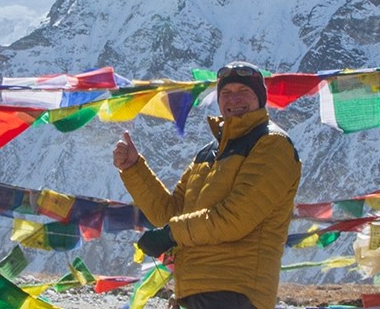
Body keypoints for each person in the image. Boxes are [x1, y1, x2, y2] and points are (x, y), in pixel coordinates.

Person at [112, 62, 302, 309]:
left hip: (237, 292)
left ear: (260, 98)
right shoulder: (209, 153)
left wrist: (170, 234)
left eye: (243, 91)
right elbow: (170, 214)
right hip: (195, 289)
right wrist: (134, 168)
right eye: (226, 93)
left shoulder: (272, 145)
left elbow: (235, 218)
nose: (234, 99)